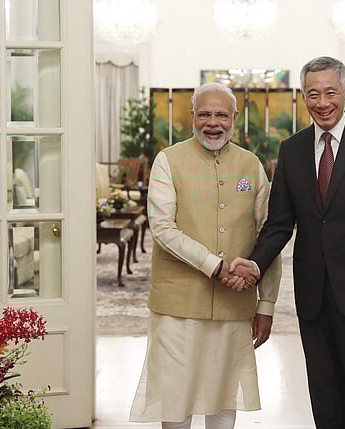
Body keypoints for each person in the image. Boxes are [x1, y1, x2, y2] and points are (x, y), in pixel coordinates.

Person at [228, 56, 345, 428]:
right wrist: (255, 264)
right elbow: (280, 223)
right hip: (313, 295)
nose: (322, 102)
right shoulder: (292, 149)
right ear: (303, 96)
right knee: (326, 399)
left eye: (330, 92)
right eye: (313, 94)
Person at [129, 82, 281, 429]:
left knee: (225, 397)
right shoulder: (168, 161)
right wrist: (215, 266)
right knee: (176, 398)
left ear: (235, 118)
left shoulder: (251, 164)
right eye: (205, 114)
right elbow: (162, 228)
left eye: (222, 115)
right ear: (193, 116)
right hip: (178, 305)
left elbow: (267, 237)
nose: (213, 123)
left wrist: (266, 305)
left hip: (235, 305)